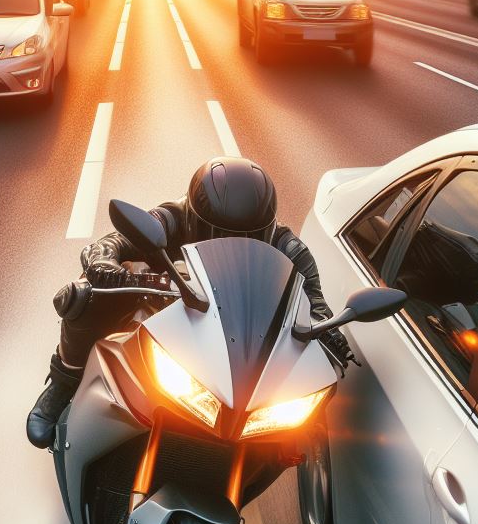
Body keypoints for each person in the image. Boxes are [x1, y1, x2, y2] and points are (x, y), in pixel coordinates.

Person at [26, 157, 352, 448]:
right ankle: (64, 381)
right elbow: (112, 242)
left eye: (249, 237)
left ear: (267, 229)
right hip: (170, 304)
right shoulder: (172, 217)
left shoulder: (289, 247)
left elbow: (316, 305)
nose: (232, 245)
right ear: (194, 220)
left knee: (294, 433)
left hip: (245, 326)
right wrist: (103, 264)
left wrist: (328, 334)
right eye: (219, 234)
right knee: (81, 296)